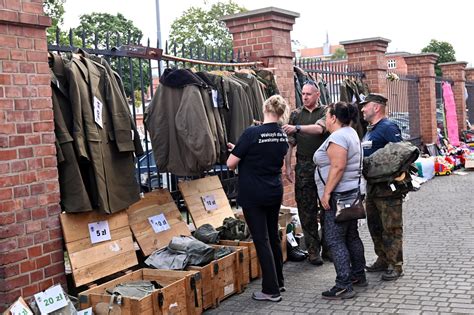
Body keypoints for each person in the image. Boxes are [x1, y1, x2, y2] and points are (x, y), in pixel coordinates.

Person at [227, 95, 290, 302]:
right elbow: (264, 154)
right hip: (273, 190)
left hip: (253, 192)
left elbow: (230, 164)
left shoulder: (251, 132)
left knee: (261, 240)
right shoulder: (282, 135)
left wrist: (237, 150)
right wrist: (240, 149)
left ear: (264, 108)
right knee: (272, 236)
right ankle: (279, 282)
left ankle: (270, 290)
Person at [313, 101, 366, 300]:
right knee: (351, 236)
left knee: (335, 240)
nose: (325, 119)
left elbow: (338, 167)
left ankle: (344, 284)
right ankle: (358, 275)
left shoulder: (338, 137)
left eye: (327, 116)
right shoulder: (350, 132)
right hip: (350, 193)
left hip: (338, 196)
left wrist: (326, 194)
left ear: (334, 118)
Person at [282, 81, 329, 266]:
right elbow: (290, 143)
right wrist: (287, 166)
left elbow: (320, 129)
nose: (305, 97)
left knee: (327, 208)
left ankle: (329, 248)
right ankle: (313, 251)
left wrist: (298, 128)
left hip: (323, 167)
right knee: (306, 210)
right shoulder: (296, 114)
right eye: (303, 94)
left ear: (317, 94)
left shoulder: (326, 111)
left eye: (309, 94)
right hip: (303, 167)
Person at [360, 93, 404, 281]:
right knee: (375, 225)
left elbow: (401, 153)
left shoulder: (388, 127)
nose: (362, 109)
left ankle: (395, 265)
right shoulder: (370, 129)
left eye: (365, 106)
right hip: (372, 186)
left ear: (376, 107)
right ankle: (383, 258)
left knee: (391, 227)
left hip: (387, 187)